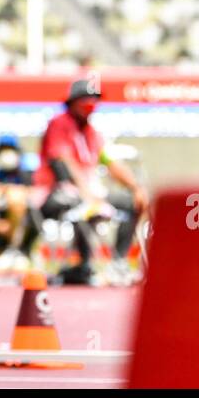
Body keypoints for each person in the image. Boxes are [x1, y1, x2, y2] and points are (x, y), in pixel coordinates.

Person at [36, 78, 147, 285]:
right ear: (73, 102)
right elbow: (65, 161)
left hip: (91, 191)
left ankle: (118, 262)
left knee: (132, 201)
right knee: (82, 205)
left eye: (94, 101)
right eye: (85, 100)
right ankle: (84, 262)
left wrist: (136, 187)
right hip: (57, 192)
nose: (90, 105)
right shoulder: (59, 124)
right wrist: (87, 194)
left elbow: (110, 162)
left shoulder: (92, 132)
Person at [0, 134, 38, 265]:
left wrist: (8, 190)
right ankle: (3, 252)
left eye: (9, 149)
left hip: (25, 227)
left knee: (16, 198)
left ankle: (17, 249)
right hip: (0, 227)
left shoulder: (26, 173)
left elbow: (33, 197)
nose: (6, 154)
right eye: (2, 150)